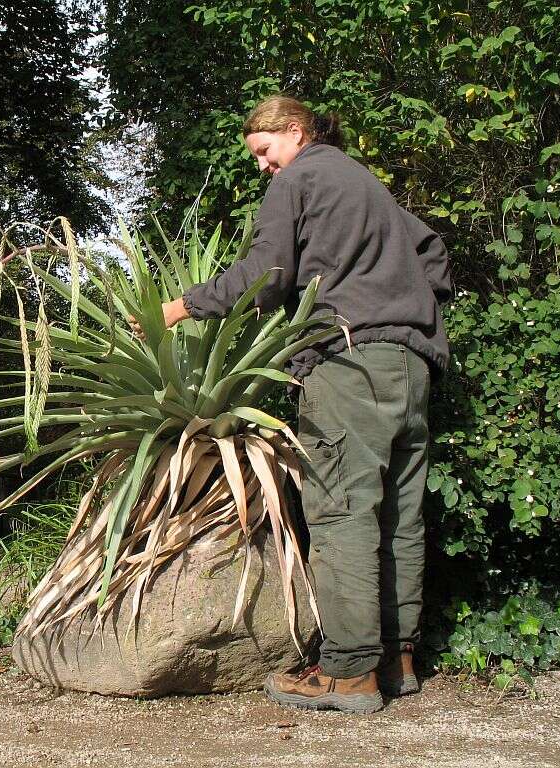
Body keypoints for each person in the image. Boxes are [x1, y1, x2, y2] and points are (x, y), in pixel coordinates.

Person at [132, 95, 451, 714]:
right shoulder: (366, 184)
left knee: (342, 510)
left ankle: (349, 673)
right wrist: (412, 305)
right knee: (400, 516)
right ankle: (397, 657)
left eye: (264, 151)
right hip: (412, 364)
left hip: (350, 361)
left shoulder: (299, 180)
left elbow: (266, 273)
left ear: (294, 132)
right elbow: (431, 251)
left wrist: (176, 309)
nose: (262, 166)